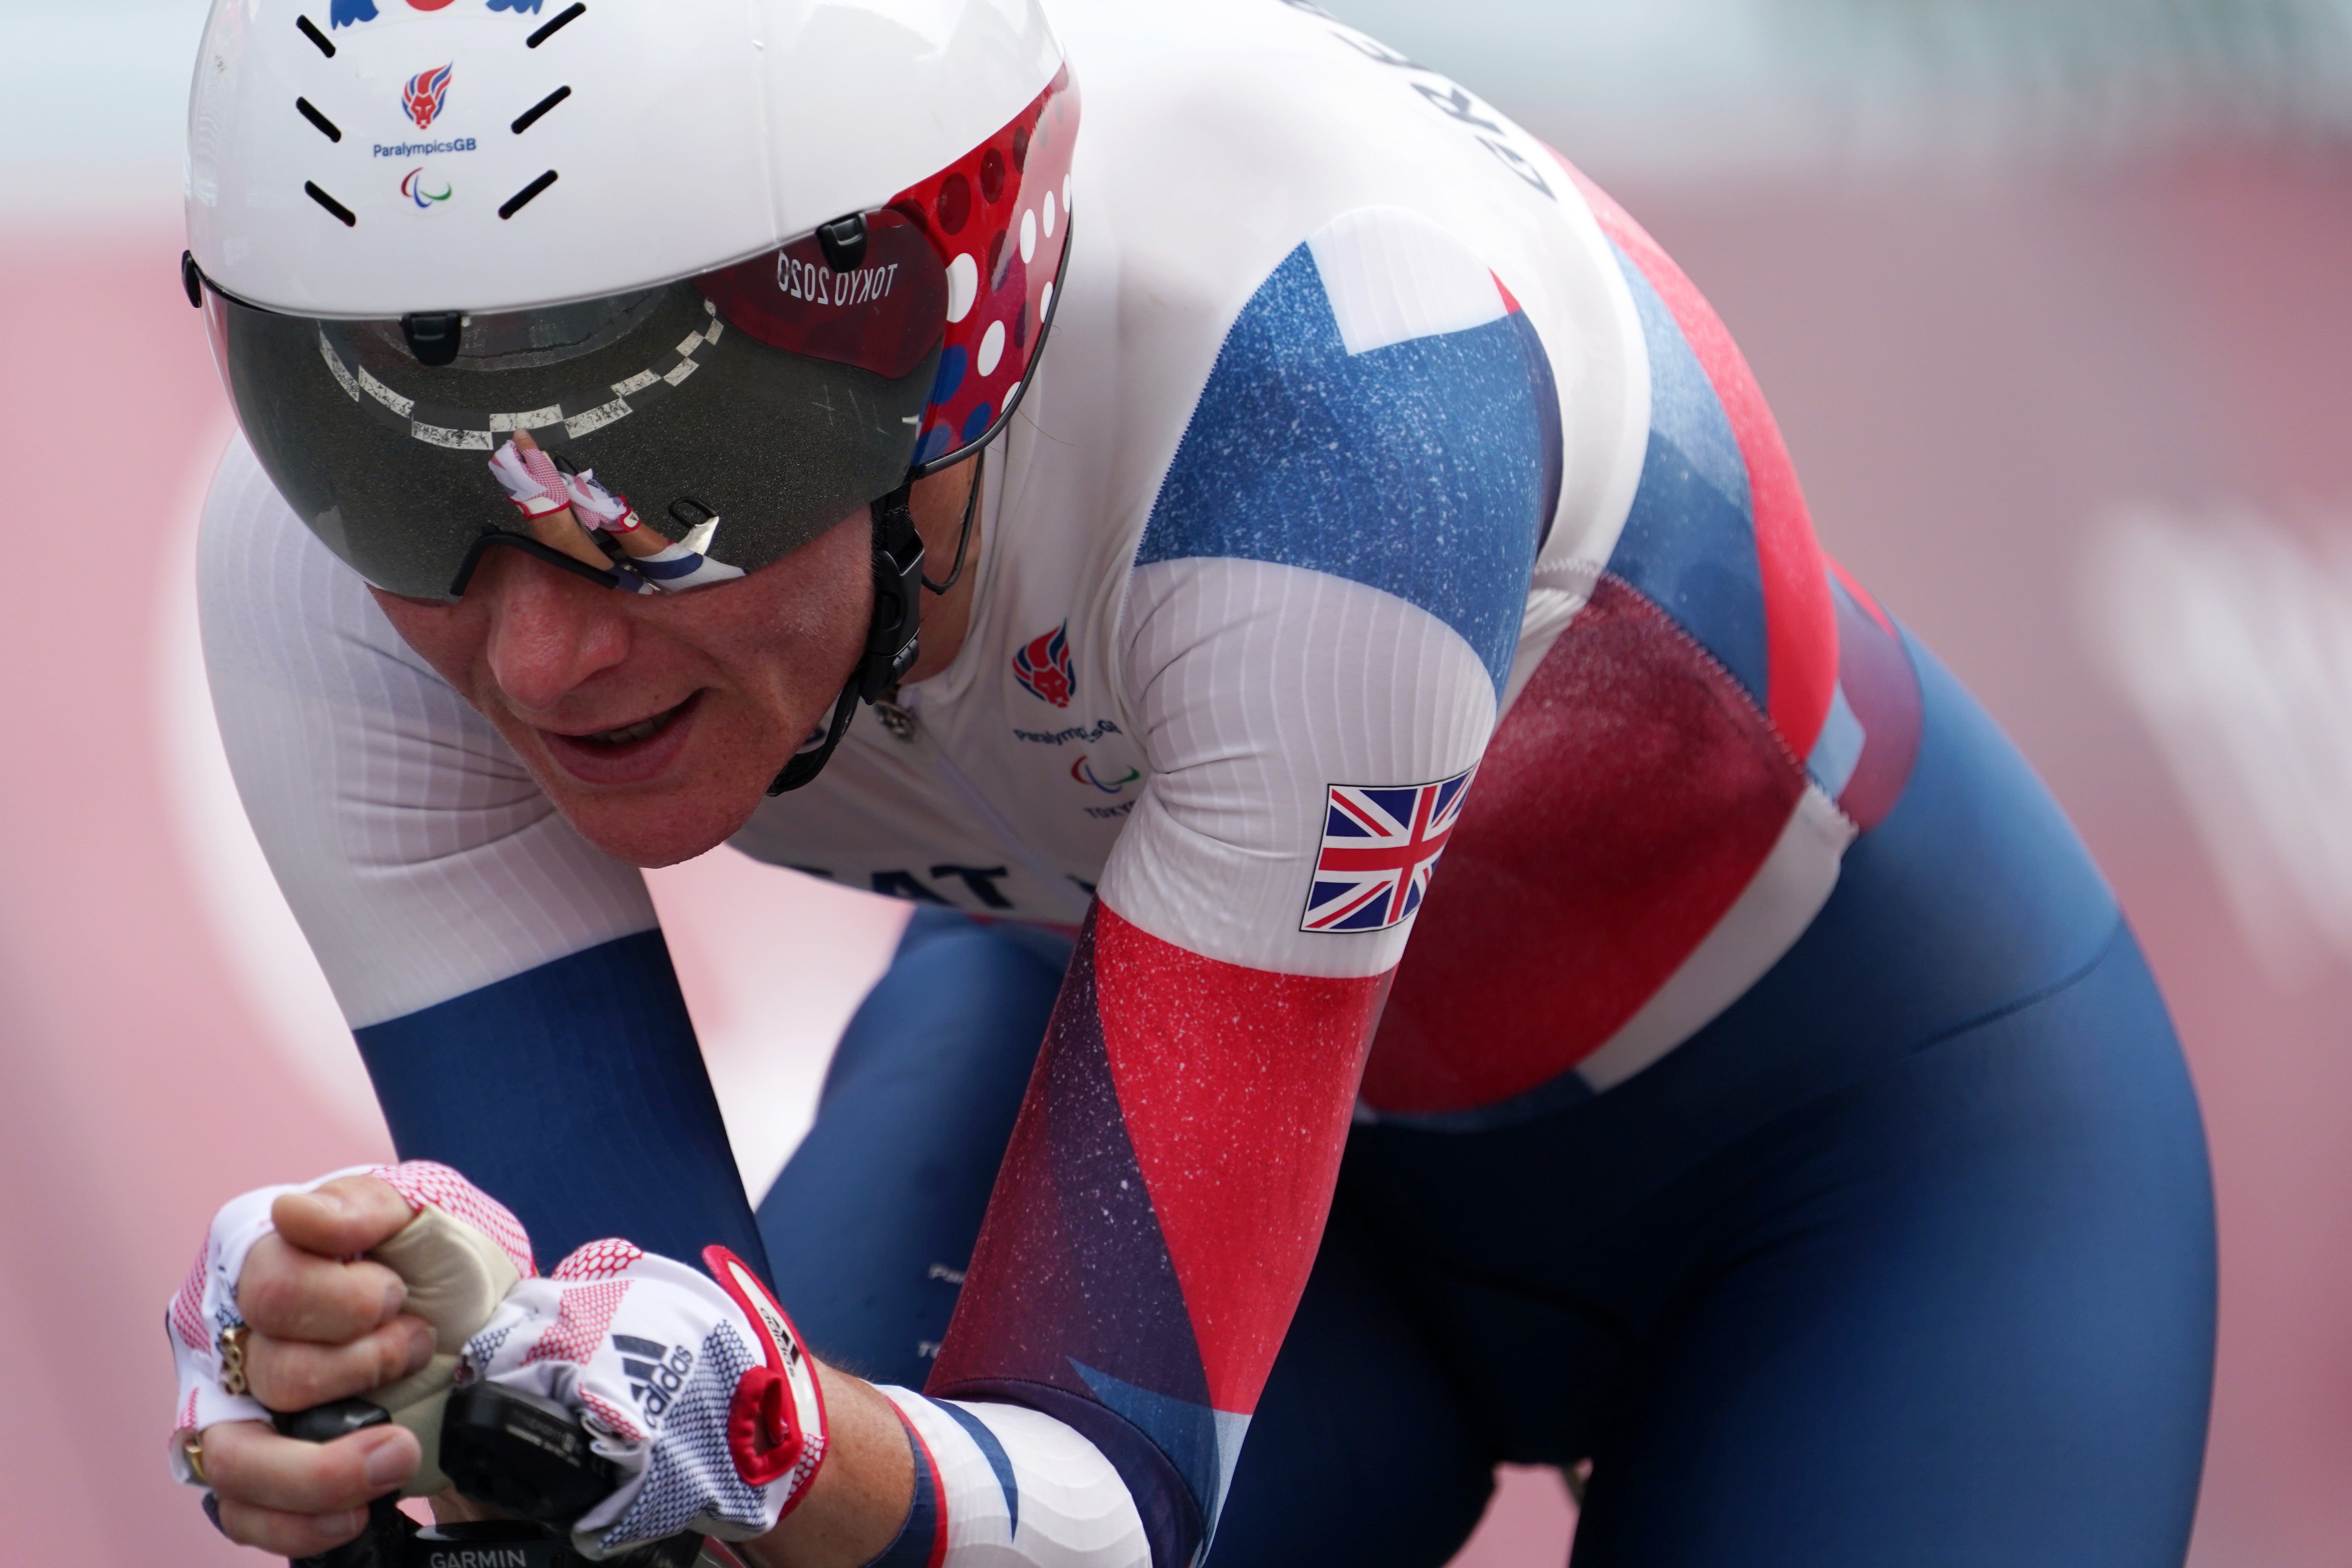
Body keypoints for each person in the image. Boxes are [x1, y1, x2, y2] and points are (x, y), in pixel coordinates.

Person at [166, 0, 2217, 1564]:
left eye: (654, 482)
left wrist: (773, 1441)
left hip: (1853, 1163)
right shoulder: (308, 571)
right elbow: (650, 1469)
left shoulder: (1333, 379)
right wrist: (413, 1383)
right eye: (384, 462)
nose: (540, 649)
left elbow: (1099, 1496)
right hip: (1139, 1029)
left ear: (939, 337)